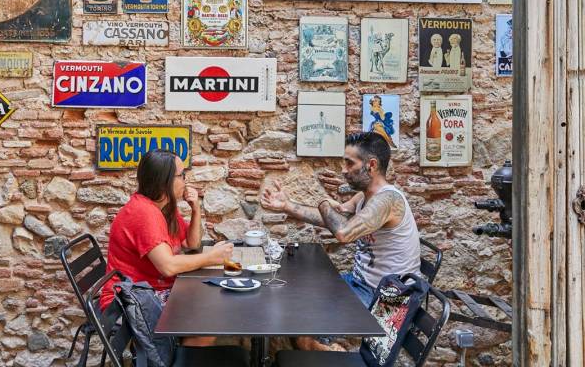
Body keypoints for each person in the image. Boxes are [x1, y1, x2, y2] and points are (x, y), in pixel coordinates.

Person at [261, 132, 420, 308]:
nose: (343, 170)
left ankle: (308, 336)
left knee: (307, 314)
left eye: (349, 163)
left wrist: (323, 202)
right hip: (361, 283)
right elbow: (334, 220)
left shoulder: (388, 200)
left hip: (389, 296)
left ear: (372, 165)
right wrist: (287, 205)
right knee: (300, 293)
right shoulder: (364, 196)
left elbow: (343, 233)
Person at [100, 149, 233, 345]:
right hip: (130, 301)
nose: (186, 181)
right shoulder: (144, 213)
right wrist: (212, 257)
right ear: (164, 182)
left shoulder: (163, 207)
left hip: (151, 291)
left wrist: (195, 208)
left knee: (211, 305)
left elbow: (191, 243)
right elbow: (168, 266)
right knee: (206, 322)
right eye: (181, 175)